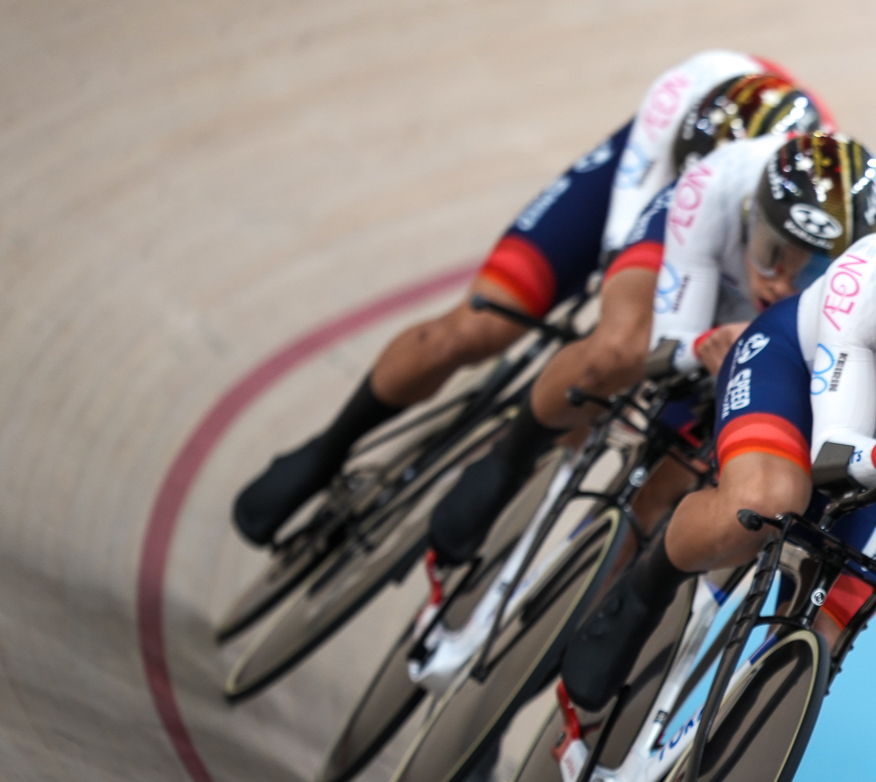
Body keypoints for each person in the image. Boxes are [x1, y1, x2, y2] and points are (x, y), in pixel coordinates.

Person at [230, 53, 822, 547]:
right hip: (651, 198)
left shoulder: (814, 200)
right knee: (479, 330)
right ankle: (328, 448)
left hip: (743, 249)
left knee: (675, 449)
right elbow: (628, 233)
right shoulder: (686, 99)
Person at [556, 223, 876, 711]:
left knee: (826, 638)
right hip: (794, 376)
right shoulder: (870, 277)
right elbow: (830, 455)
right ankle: (645, 587)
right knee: (762, 504)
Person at [422, 128, 876, 565]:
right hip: (694, 263)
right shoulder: (719, 184)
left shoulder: (869, 276)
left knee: (682, 476)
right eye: (772, 252)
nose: (780, 280)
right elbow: (665, 346)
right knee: (619, 351)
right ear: (753, 213)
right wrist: (701, 343)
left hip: (768, 327)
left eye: (808, 272)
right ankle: (508, 459)